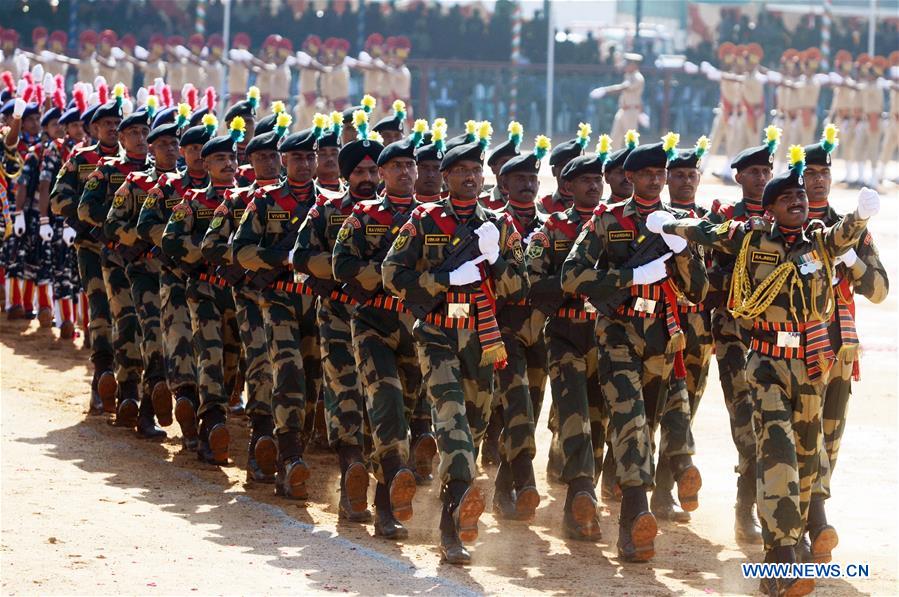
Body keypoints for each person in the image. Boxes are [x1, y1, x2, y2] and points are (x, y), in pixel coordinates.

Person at [654, 146, 880, 597]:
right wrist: (671, 225)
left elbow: (845, 238)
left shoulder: (820, 242)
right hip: (768, 365)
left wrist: (859, 217)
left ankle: (792, 546)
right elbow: (709, 231)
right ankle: (780, 562)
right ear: (771, 208)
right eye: (787, 198)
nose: (798, 201)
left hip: (811, 366)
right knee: (777, 456)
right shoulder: (752, 238)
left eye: (801, 196)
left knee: (808, 461)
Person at [382, 122, 528, 565]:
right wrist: (444, 278)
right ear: (445, 177)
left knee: (475, 427)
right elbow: (392, 274)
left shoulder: (499, 224)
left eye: (475, 170)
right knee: (451, 421)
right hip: (437, 334)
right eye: (461, 170)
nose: (470, 177)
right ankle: (452, 527)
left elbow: (519, 287)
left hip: (483, 339)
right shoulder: (424, 220)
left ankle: (453, 506)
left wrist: (496, 258)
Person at [561, 134, 708, 562]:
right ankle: (634, 519)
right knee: (630, 420)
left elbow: (698, 291)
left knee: (651, 423)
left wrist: (683, 252)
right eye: (646, 173)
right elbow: (572, 275)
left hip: (663, 335)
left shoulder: (680, 222)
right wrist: (628, 278)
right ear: (629, 177)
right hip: (618, 334)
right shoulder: (607, 220)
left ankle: (616, 495)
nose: (655, 180)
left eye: (659, 173)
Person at [332, 125, 429, 539]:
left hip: (416, 330)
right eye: (396, 166)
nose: (405, 172)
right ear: (383, 174)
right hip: (373, 324)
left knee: (401, 413)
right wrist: (391, 276)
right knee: (387, 407)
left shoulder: (432, 218)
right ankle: (386, 508)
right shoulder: (363, 216)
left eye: (410, 165)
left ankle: (365, 489)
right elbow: (342, 265)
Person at [801, 126, 888, 562]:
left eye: (824, 173)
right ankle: (808, 523)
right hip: (798, 348)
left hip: (839, 347)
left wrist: (852, 258)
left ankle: (814, 517)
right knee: (802, 436)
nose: (818, 180)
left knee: (829, 439)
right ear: (798, 177)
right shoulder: (787, 224)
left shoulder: (851, 227)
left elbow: (879, 290)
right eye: (810, 173)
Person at [291, 111, 383, 522]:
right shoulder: (325, 211)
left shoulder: (399, 215)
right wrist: (339, 273)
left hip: (384, 324)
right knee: (345, 397)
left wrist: (372, 276)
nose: (367, 178)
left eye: (372, 170)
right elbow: (300, 257)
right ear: (346, 176)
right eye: (359, 172)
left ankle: (384, 485)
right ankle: (351, 481)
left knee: (381, 402)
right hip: (337, 319)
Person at [232, 119, 326, 499]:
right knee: (284, 371)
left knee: (312, 381)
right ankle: (281, 453)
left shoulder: (330, 204)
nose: (304, 164)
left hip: (317, 304)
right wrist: (283, 258)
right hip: (277, 300)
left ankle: (292, 448)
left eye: (309, 157)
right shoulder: (265, 201)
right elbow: (241, 251)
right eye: (296, 158)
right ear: (284, 160)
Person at [200, 113, 292, 483]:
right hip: (249, 297)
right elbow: (211, 244)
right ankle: (256, 439)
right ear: (249, 161)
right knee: (257, 364)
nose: (269, 161)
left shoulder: (299, 200)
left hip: (291, 299)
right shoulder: (238, 200)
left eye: (274, 155)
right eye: (261, 156)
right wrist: (243, 262)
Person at [527, 146, 608, 540]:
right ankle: (579, 495)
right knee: (574, 415)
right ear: (567, 186)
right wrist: (577, 284)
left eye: (598, 179)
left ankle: (585, 495)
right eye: (585, 180)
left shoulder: (615, 225)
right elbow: (531, 281)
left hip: (606, 336)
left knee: (600, 419)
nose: (594, 186)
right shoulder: (552, 229)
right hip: (564, 334)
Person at [707, 126, 782, 544]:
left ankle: (773, 509)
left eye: (766, 171)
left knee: (774, 423)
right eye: (754, 172)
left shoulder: (784, 218)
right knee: (745, 422)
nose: (761, 177)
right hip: (733, 334)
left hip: (772, 336)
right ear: (738, 176)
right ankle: (744, 507)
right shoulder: (724, 219)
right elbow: (708, 276)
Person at [161, 117, 244, 465]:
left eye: (232, 157)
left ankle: (211, 415)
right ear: (205, 165)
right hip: (203, 288)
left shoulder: (250, 200)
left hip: (239, 294)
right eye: (219, 158)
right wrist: (212, 255)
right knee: (209, 354)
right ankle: (212, 425)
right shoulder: (192, 201)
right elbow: (171, 241)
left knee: (231, 360)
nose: (228, 163)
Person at [137, 107, 212, 451]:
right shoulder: (169, 186)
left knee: (209, 350)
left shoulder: (225, 190)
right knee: (170, 342)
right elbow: (146, 226)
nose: (198, 154)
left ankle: (208, 417)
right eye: (192, 148)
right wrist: (177, 245)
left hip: (212, 282)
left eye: (203, 148)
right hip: (170, 276)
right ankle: (170, 407)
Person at [488, 136, 553, 521]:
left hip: (540, 329)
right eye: (519, 179)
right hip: (503, 327)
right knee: (517, 406)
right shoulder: (492, 223)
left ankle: (503, 487)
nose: (528, 185)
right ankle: (524, 481)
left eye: (532, 179)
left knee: (533, 406)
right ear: (504, 185)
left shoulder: (551, 226)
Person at [103, 105, 177, 439]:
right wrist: (140, 239)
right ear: (152, 148)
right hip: (143, 272)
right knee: (145, 333)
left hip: (179, 275)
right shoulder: (136, 182)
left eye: (174, 143)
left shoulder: (188, 186)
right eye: (162, 144)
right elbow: (113, 223)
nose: (170, 149)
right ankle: (137, 403)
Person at [78, 101, 153, 428]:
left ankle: (142, 395)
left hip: (150, 262)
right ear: (121, 138)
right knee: (111, 317)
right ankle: (108, 380)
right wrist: (111, 230)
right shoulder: (104, 169)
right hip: (104, 252)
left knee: (150, 326)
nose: (140, 138)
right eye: (132, 132)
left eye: (144, 131)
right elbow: (80, 207)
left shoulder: (161, 173)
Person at [50, 84, 123, 416]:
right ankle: (101, 378)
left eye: (117, 123)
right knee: (100, 310)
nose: (113, 128)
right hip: (91, 248)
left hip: (125, 252)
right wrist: (83, 222)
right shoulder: (81, 159)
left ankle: (127, 383)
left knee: (127, 313)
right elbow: (58, 198)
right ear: (94, 128)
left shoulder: (134, 164)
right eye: (107, 123)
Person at [652, 136, 713, 523]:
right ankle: (635, 483)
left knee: (684, 410)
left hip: (699, 331)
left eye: (692, 175)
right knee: (655, 407)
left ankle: (664, 491)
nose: (686, 181)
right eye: (679, 175)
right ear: (666, 178)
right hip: (661, 325)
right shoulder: (656, 219)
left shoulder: (709, 221)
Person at [590, 53, 645, 143]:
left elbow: (624, 87)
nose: (625, 65)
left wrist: (605, 90)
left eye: (628, 63)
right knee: (615, 137)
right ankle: (614, 153)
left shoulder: (638, 77)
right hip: (623, 110)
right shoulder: (628, 75)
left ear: (634, 65)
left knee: (631, 140)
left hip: (631, 111)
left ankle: (633, 153)